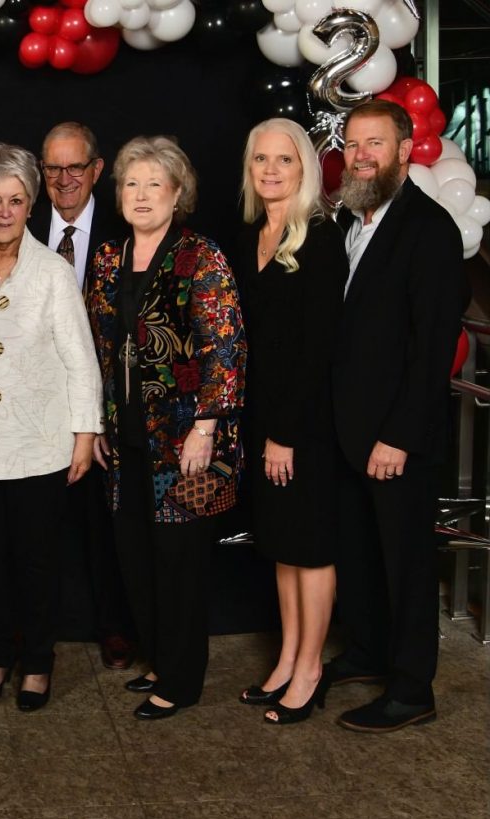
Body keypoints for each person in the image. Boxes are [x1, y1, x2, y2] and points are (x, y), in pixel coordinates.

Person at [86, 136, 246, 720]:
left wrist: (206, 427)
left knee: (179, 563)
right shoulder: (107, 258)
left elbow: (224, 348)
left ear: (178, 194)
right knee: (136, 555)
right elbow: (97, 347)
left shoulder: (200, 256)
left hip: (182, 439)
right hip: (124, 438)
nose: (142, 194)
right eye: (132, 184)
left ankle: (180, 681)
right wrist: (95, 420)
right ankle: (160, 658)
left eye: (155, 184)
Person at [324, 99, 469, 733]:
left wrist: (399, 437)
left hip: (394, 438)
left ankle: (412, 688)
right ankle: (367, 652)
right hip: (351, 431)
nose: (361, 155)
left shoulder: (429, 230)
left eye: (375, 144)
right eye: (353, 144)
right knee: (361, 550)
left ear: (406, 151)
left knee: (406, 563)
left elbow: (432, 347)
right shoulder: (353, 222)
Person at [0, 144, 103, 712]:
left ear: (31, 204)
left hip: (43, 442)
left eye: (16, 200)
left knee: (38, 561)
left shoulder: (54, 272)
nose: (6, 211)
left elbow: (80, 359)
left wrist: (85, 435)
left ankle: (38, 661)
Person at [233, 119, 348, 724]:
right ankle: (287, 658)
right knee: (281, 546)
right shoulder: (254, 231)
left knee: (310, 547)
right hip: (262, 418)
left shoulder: (322, 237)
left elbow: (318, 349)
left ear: (305, 168)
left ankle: (311, 669)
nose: (272, 170)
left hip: (302, 425)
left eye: (284, 160)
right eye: (261, 160)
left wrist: (286, 434)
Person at [30, 121, 134, 671]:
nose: (64, 178)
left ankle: (115, 627)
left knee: (107, 525)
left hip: (109, 407)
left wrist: (94, 420)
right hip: (36, 405)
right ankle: (33, 636)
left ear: (97, 169)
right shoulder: (19, 226)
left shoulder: (128, 229)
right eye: (53, 168)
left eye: (76, 167)